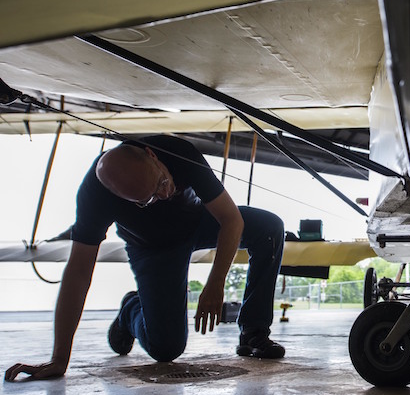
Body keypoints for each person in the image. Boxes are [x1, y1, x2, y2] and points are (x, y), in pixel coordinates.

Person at [6, 135, 285, 381]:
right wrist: (59, 358)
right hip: (153, 248)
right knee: (166, 349)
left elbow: (231, 219)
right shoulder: (94, 196)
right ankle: (131, 310)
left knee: (270, 227)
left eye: (163, 182)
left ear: (153, 156)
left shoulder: (179, 151)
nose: (164, 195)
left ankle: (253, 331)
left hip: (197, 220)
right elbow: (78, 271)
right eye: (147, 199)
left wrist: (215, 284)